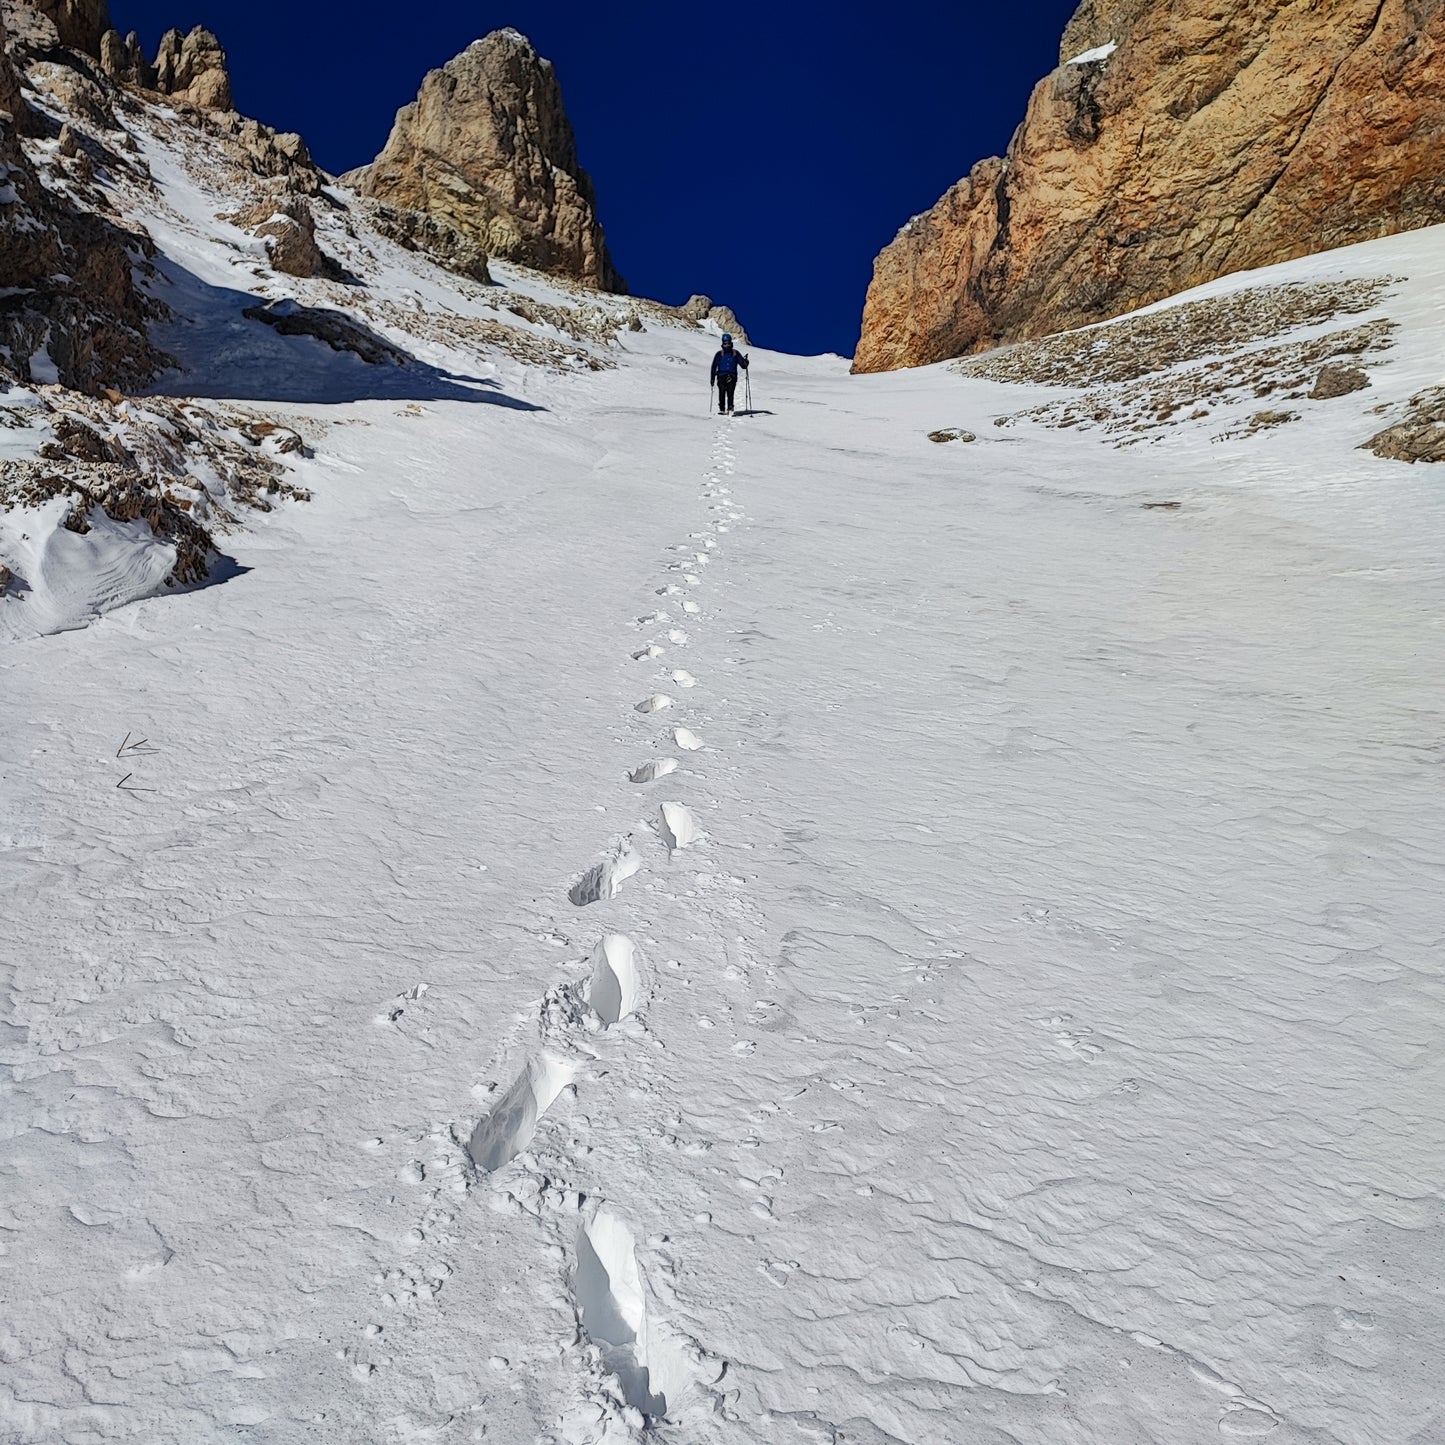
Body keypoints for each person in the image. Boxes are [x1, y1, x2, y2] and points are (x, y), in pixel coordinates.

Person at [710, 334, 749, 414]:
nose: (726, 345)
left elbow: (743, 365)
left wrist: (746, 362)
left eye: (728, 343)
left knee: (730, 392)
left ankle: (730, 407)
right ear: (723, 343)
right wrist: (712, 378)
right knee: (722, 392)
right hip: (721, 375)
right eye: (725, 343)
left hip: (732, 376)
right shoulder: (719, 354)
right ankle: (722, 408)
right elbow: (714, 366)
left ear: (730, 343)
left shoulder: (735, 353)